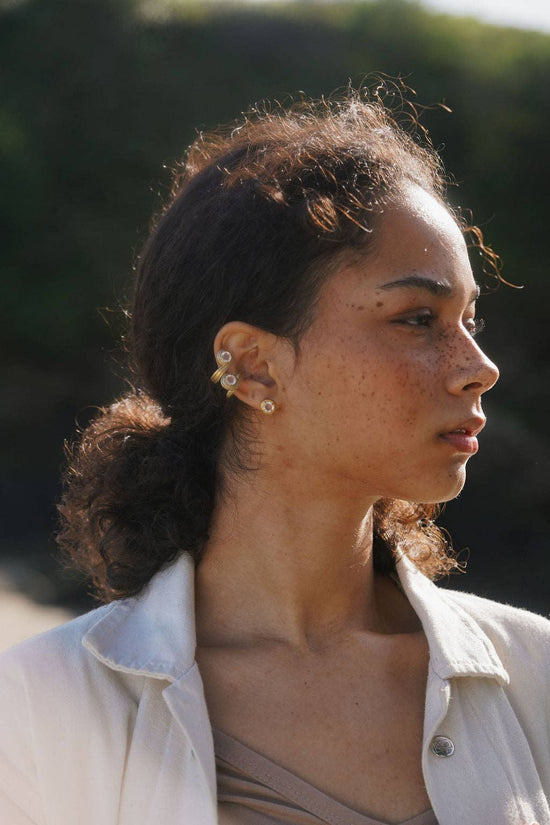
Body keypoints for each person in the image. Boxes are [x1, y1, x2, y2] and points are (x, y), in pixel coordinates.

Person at [0, 87, 548, 825]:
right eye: (419, 318)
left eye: (469, 318)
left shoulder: (535, 676)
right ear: (253, 366)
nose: (478, 365)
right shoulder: (38, 705)